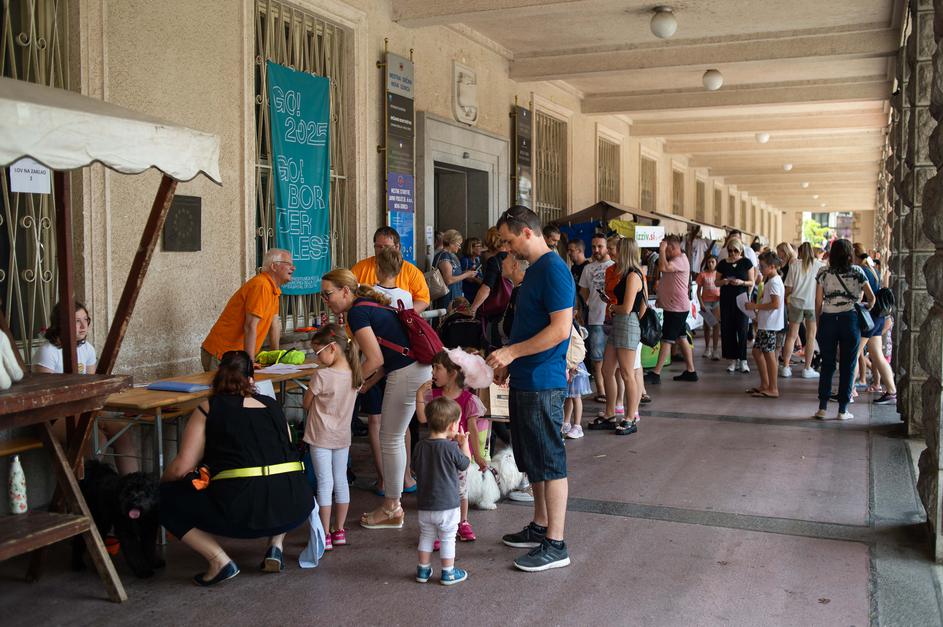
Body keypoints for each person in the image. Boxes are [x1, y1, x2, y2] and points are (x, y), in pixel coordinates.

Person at [160, 350, 313, 585]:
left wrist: (162, 483)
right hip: (295, 504)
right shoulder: (272, 405)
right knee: (278, 477)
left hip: (241, 509)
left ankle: (218, 561)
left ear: (218, 377)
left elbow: (182, 467)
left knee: (162, 499)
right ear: (251, 379)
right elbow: (286, 451)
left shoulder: (209, 407)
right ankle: (276, 546)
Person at [487, 205, 574, 573]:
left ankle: (556, 542)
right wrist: (511, 362)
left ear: (526, 232)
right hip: (526, 377)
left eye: (509, 241)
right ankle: (540, 525)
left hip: (543, 382)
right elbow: (530, 326)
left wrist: (512, 352)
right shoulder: (536, 270)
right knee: (532, 460)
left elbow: (560, 330)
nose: (508, 249)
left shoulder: (553, 269)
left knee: (549, 462)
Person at [320, 269, 432, 528]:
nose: (325, 301)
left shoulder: (357, 312)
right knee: (394, 437)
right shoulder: (367, 305)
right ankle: (394, 505)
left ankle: (392, 507)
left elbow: (375, 359)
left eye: (328, 294)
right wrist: (365, 385)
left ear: (345, 291)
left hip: (407, 372)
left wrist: (346, 383)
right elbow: (385, 358)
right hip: (415, 368)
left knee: (390, 438)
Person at [34, 301, 138, 474]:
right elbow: (44, 399)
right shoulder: (48, 351)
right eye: (77, 321)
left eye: (86, 319)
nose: (83, 326)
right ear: (62, 323)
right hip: (54, 416)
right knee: (96, 439)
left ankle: (133, 487)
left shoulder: (87, 349)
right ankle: (87, 488)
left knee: (122, 433)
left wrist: (96, 413)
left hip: (83, 408)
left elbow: (92, 388)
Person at [416, 348, 492, 543]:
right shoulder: (432, 395)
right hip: (437, 455)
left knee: (461, 490)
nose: (432, 372)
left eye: (437, 368)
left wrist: (478, 456)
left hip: (458, 454)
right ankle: (438, 527)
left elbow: (473, 429)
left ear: (452, 373)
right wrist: (419, 394)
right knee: (437, 488)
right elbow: (423, 418)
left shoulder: (468, 400)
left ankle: (462, 522)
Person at [360, 247, 416, 498]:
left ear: (377, 268)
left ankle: (383, 479)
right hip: (399, 364)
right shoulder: (405, 296)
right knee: (402, 422)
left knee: (376, 420)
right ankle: (406, 477)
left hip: (372, 364)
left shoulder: (368, 295)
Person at [302, 324, 361, 551]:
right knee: (341, 481)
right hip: (342, 436)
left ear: (333, 348)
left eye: (318, 353)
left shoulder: (322, 375)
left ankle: (325, 533)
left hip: (320, 436)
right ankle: (339, 530)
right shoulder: (355, 374)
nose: (317, 358)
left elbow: (306, 403)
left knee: (324, 483)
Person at [200, 248, 294, 371]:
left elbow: (274, 324)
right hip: (223, 354)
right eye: (288, 264)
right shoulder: (261, 285)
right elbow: (250, 326)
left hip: (236, 357)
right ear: (274, 266)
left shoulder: (273, 289)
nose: (293, 268)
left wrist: (276, 358)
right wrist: (249, 363)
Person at [813, 239, 875, 421]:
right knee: (848, 365)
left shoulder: (823, 272)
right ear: (849, 254)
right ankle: (842, 410)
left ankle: (822, 408)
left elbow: (818, 301)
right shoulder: (857, 271)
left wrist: (819, 322)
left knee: (827, 364)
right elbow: (872, 298)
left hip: (828, 319)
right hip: (850, 320)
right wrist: (863, 306)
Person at [412, 397, 471, 586]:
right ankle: (448, 572)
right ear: (453, 425)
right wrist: (464, 444)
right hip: (447, 506)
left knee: (426, 536)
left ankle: (423, 570)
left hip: (425, 505)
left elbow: (414, 468)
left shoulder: (420, 446)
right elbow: (465, 464)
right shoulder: (451, 448)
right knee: (447, 538)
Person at [599, 238, 646, 434]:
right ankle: (610, 413)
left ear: (624, 251)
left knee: (627, 373)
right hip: (619, 323)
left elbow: (627, 308)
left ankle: (630, 417)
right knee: (607, 369)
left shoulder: (633, 275)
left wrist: (611, 307)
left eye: (617, 249)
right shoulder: (624, 274)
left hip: (627, 323)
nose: (613, 252)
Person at [645, 234, 698, 384]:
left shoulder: (680, 260)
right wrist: (661, 297)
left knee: (666, 340)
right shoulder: (677, 260)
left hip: (676, 309)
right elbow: (668, 279)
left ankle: (656, 373)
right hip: (675, 307)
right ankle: (691, 371)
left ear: (673, 248)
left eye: (667, 250)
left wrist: (661, 250)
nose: (665, 253)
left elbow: (663, 267)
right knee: (681, 338)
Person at [351, 226, 430, 313]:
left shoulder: (411, 271)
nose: (382, 250)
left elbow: (423, 299)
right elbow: (348, 294)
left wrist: (403, 316)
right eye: (378, 246)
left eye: (387, 247)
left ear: (397, 247)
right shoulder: (360, 268)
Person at [855, 250, 897, 406]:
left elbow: (861, 296)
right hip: (878, 316)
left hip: (868, 317)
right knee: (877, 354)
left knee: (854, 353)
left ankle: (849, 390)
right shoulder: (874, 270)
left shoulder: (860, 271)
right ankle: (891, 391)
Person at [578, 233, 615, 404]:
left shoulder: (614, 266)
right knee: (597, 358)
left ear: (607, 247)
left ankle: (614, 392)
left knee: (614, 360)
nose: (596, 250)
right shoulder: (588, 269)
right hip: (595, 319)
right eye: (593, 247)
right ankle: (602, 391)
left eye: (600, 246)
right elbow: (583, 293)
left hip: (613, 319)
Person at [745, 252, 785, 398]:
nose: (760, 269)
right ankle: (765, 384)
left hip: (769, 324)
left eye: (762, 266)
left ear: (772, 266)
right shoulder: (771, 280)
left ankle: (773, 388)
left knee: (769, 355)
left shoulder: (774, 282)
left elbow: (775, 304)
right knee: (757, 352)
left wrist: (755, 306)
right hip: (765, 323)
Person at [781, 242, 823, 378]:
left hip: (796, 303)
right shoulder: (819, 266)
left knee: (791, 336)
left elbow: (788, 288)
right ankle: (807, 368)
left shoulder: (794, 265)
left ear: (799, 252)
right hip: (812, 304)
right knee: (810, 337)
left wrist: (783, 298)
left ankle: (786, 367)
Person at [716, 238, 755, 373]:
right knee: (728, 329)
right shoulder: (722, 263)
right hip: (726, 300)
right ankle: (732, 359)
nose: (733, 253)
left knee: (742, 329)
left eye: (735, 251)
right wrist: (724, 281)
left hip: (742, 299)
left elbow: (752, 282)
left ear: (741, 251)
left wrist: (741, 282)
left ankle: (743, 360)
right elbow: (716, 282)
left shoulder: (746, 262)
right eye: (730, 251)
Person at [434, 229, 477, 311]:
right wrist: (466, 275)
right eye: (458, 244)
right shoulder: (444, 256)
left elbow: (453, 274)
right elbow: (448, 280)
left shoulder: (452, 256)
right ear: (451, 243)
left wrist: (464, 273)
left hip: (454, 294)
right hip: (447, 297)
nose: (459, 247)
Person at [562, 320, 590, 440]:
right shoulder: (568, 327)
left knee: (576, 397)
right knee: (568, 396)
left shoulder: (574, 330)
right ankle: (566, 422)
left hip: (575, 367)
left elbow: (577, 350)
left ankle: (578, 426)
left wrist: (573, 365)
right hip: (568, 366)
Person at [695, 255, 721, 360]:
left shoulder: (719, 274)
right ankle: (707, 348)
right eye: (709, 262)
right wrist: (701, 303)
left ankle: (715, 350)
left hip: (716, 302)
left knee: (716, 325)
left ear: (716, 263)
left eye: (712, 262)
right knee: (707, 326)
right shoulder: (702, 274)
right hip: (706, 302)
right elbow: (698, 292)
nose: (710, 264)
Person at [567, 238, 590, 324]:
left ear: (579, 251)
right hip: (574, 305)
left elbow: (588, 292)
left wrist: (582, 308)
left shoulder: (587, 267)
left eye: (571, 250)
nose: (569, 253)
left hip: (582, 309)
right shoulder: (574, 267)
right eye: (568, 250)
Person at [459, 237, 483, 302]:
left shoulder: (477, 259)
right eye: (479, 246)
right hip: (468, 295)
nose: (481, 248)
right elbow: (465, 277)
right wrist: (479, 281)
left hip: (476, 294)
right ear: (471, 248)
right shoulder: (464, 260)